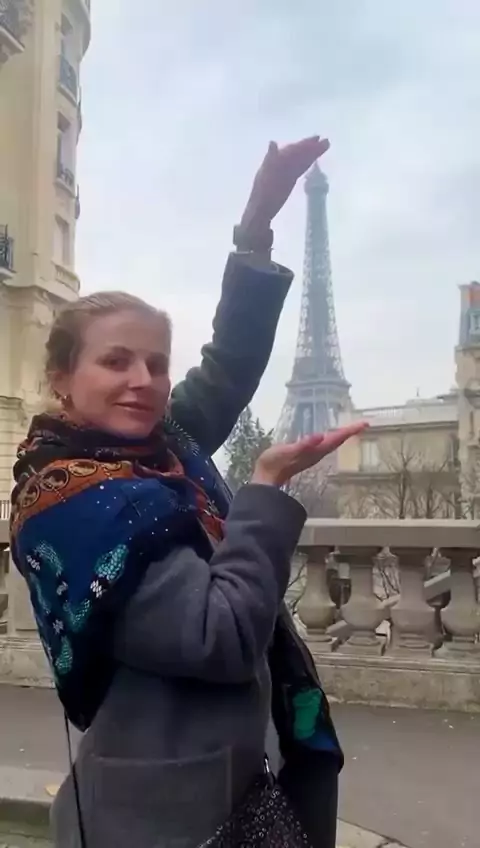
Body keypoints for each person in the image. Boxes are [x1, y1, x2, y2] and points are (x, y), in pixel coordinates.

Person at [10, 138, 365, 848]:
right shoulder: (71, 502)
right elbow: (220, 636)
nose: (142, 380)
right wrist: (265, 489)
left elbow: (227, 366)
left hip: (240, 774)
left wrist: (255, 230)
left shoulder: (156, 448)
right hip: (171, 813)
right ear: (62, 378)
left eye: (156, 363)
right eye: (116, 361)